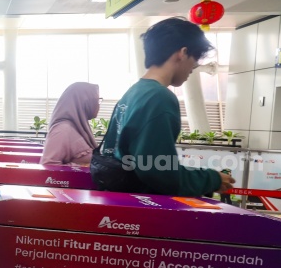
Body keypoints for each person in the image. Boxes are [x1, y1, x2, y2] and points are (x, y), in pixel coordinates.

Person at [94, 17, 235, 196]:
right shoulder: (159, 97)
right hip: (144, 205)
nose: (193, 67)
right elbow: (159, 172)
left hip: (120, 197)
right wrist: (210, 179)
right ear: (182, 53)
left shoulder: (134, 92)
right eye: (195, 59)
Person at [40, 82, 100, 165]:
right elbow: (48, 166)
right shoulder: (63, 130)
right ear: (84, 101)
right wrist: (83, 167)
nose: (98, 104)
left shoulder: (79, 125)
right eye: (97, 100)